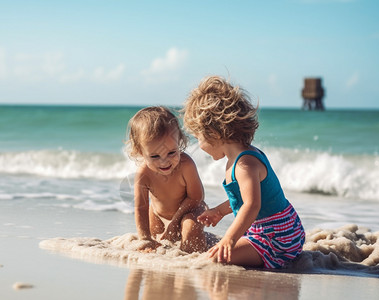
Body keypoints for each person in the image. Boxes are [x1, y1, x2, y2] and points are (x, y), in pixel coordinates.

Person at [182, 76, 305, 268]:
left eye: (198, 137)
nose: (199, 145)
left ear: (213, 134)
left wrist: (229, 239)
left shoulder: (244, 165)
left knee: (215, 259)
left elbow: (251, 205)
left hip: (276, 237)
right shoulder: (240, 157)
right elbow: (243, 199)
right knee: (218, 252)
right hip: (275, 229)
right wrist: (219, 212)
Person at [126, 106, 207, 253]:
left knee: (190, 230)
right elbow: (141, 208)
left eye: (171, 152)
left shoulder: (186, 165)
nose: (164, 162)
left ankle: (193, 261)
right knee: (154, 245)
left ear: (179, 142)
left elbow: (196, 197)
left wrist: (175, 222)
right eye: (155, 156)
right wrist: (145, 238)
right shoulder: (143, 174)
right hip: (158, 214)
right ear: (140, 152)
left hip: (191, 210)